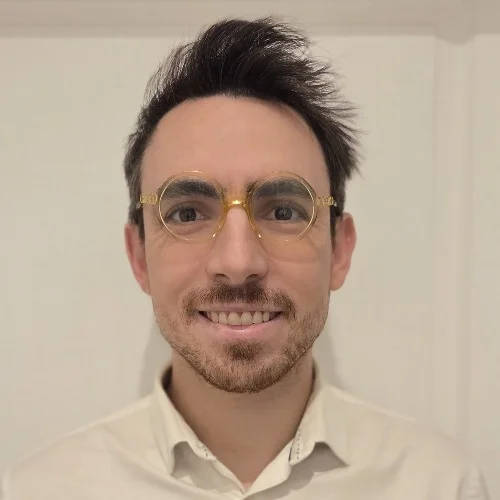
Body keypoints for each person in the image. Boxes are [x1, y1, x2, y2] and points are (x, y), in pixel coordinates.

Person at [1, 17, 490, 500]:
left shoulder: (440, 485)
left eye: (283, 211)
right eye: (187, 213)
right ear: (139, 256)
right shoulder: (42, 490)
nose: (238, 262)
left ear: (340, 249)